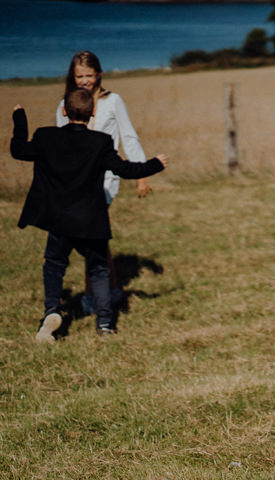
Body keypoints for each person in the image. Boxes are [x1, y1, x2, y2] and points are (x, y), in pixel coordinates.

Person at [11, 90, 166, 340]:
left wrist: (19, 119)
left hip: (58, 220)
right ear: (93, 112)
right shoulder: (101, 142)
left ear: (64, 111)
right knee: (99, 269)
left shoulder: (46, 136)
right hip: (91, 221)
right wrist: (155, 164)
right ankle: (105, 323)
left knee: (54, 264)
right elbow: (125, 169)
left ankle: (52, 309)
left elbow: (18, 150)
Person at [57, 51, 151, 314]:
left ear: (98, 74)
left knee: (90, 234)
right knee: (95, 237)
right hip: (75, 182)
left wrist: (141, 173)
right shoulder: (64, 104)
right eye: (80, 76)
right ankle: (111, 290)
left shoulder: (113, 101)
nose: (85, 81)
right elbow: (60, 146)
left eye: (89, 75)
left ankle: (93, 296)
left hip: (105, 179)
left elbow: (128, 137)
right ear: (72, 76)